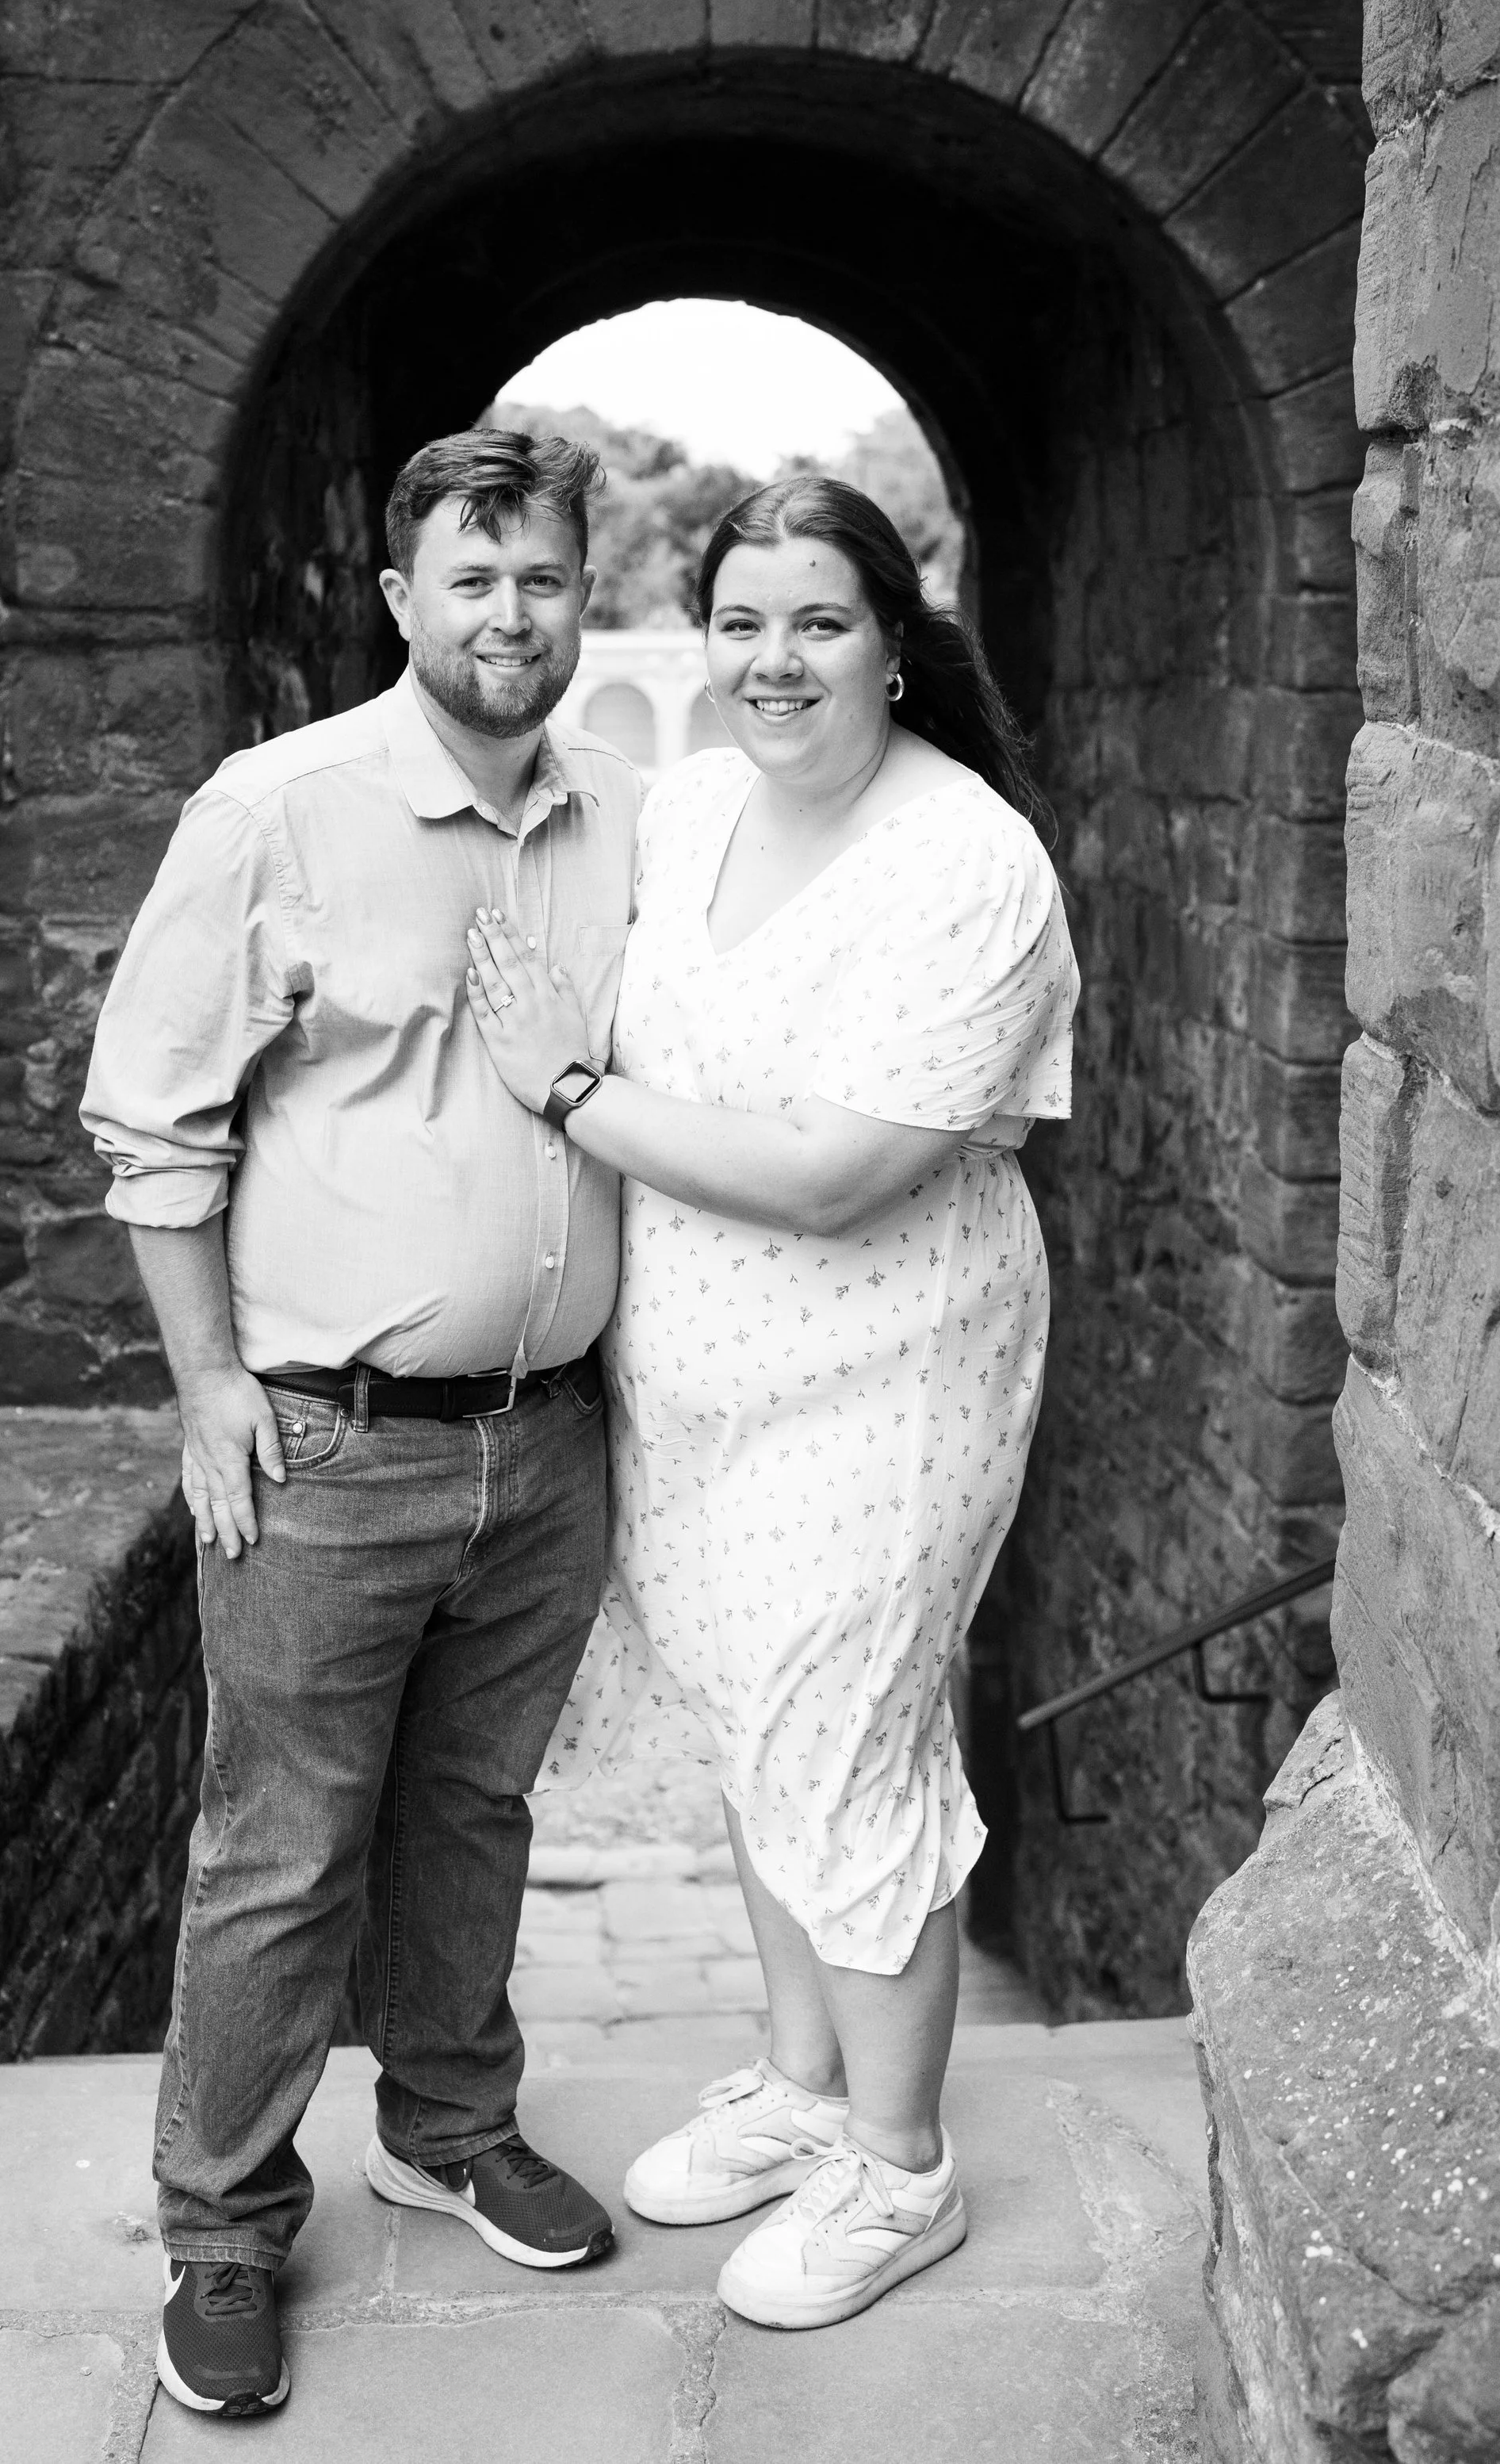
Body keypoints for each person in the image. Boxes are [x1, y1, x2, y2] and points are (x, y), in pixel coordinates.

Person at [461, 474, 1078, 2332]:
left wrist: (567, 1092)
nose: (772, 659)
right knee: (757, 1727)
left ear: (894, 641)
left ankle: (900, 2168)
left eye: (817, 620)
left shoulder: (966, 862)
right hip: (698, 1386)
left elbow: (833, 1171)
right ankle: (805, 2088)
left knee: (844, 1744)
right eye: (739, 622)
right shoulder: (696, 806)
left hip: (883, 1380)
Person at [79, 430, 642, 2421]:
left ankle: (447, 2121)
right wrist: (207, 1383)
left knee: (471, 1809)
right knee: (282, 1846)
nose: (510, 616)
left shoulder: (623, 816)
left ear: (582, 596)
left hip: (546, 1441)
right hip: (328, 1445)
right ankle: (225, 2225)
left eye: (542, 579)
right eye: (470, 580)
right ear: (401, 598)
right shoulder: (279, 808)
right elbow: (155, 1117)